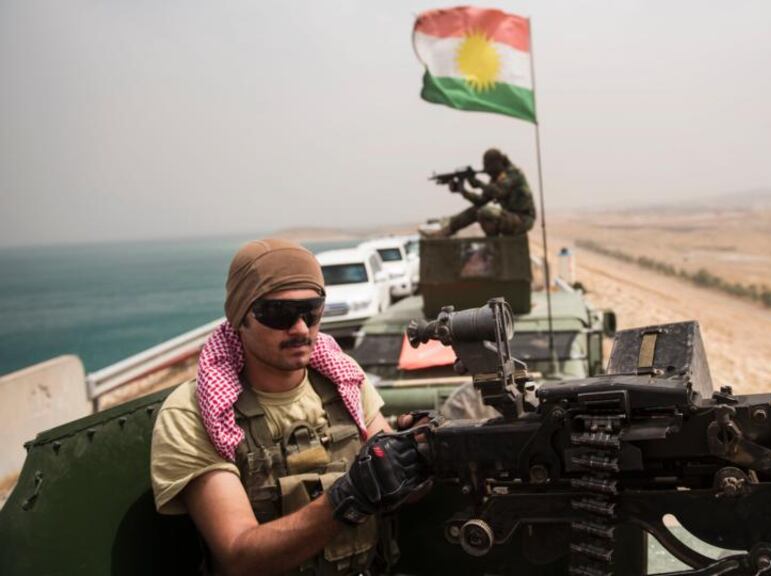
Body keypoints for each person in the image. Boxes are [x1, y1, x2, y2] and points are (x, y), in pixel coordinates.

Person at [150, 239, 428, 576]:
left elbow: (401, 491)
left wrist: (420, 455)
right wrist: (348, 496)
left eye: (312, 312)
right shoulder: (193, 413)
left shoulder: (344, 382)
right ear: (240, 317)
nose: (300, 328)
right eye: (278, 314)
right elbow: (239, 556)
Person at [424, 148, 536, 237]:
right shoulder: (496, 179)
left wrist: (478, 183)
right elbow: (480, 201)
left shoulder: (513, 174)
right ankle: (445, 232)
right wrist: (462, 191)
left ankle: (494, 244)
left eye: (488, 166)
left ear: (497, 164)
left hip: (523, 219)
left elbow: (499, 192)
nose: (486, 170)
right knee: (476, 210)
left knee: (484, 212)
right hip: (510, 218)